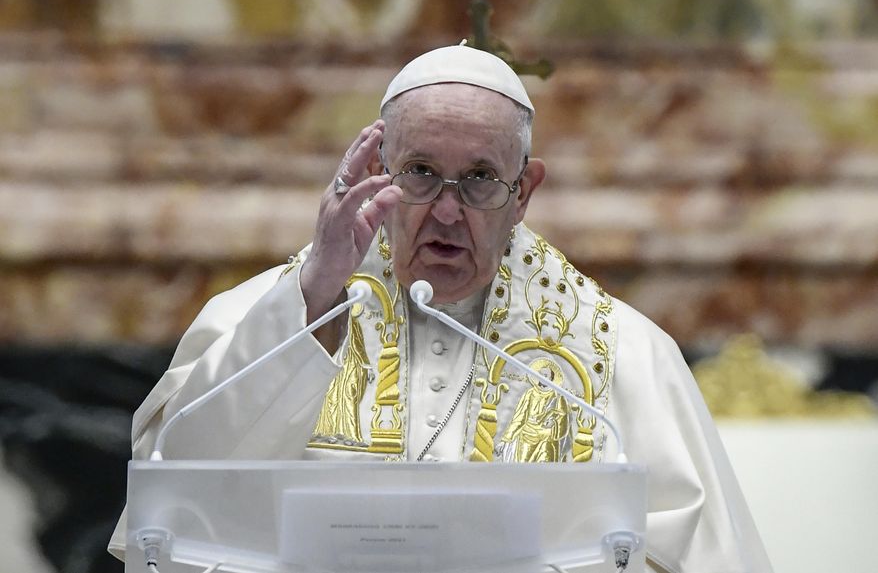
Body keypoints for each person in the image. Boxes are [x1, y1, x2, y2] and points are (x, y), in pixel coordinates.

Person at [109, 45, 772, 572]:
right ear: (377, 166)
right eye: (420, 172)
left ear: (524, 192)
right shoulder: (270, 315)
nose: (448, 211)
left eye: (481, 178)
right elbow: (172, 508)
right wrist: (315, 294)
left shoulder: (623, 354)